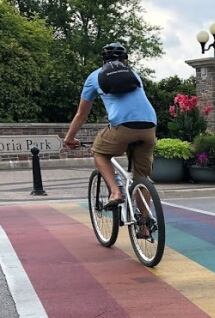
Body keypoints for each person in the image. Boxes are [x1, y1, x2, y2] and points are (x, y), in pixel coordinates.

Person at [63, 42, 156, 215]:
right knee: (142, 179)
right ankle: (144, 225)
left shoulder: (94, 77)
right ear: (126, 60)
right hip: (149, 125)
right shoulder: (134, 75)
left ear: (103, 60)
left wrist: (69, 138)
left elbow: (81, 115)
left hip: (122, 126)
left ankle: (115, 191)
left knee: (99, 152)